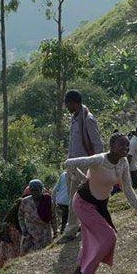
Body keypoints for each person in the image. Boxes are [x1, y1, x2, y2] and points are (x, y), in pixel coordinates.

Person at [65, 133, 137, 274]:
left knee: (92, 240)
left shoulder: (123, 162)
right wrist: (83, 178)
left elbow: (128, 189)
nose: (125, 148)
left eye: (127, 146)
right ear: (111, 146)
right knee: (108, 236)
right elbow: (68, 163)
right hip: (83, 203)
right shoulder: (99, 159)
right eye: (121, 145)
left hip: (100, 205)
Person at [58, 90, 104, 242]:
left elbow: (97, 144)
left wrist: (97, 166)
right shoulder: (76, 118)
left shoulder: (88, 119)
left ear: (73, 102)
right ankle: (82, 225)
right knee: (77, 198)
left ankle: (71, 230)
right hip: (73, 164)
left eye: (67, 103)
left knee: (75, 198)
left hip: (84, 165)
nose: (66, 106)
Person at [20, 179, 58, 254]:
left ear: (41, 189)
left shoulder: (48, 201)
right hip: (30, 232)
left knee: (44, 253)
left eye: (37, 190)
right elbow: (20, 216)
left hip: (45, 232)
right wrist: (23, 229)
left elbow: (53, 216)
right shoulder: (25, 201)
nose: (35, 193)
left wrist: (55, 231)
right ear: (30, 191)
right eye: (32, 190)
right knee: (28, 254)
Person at [0, 198, 22, 272]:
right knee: (14, 252)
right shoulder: (22, 206)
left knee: (4, 252)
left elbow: (5, 222)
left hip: (9, 235)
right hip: (14, 235)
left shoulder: (12, 213)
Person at [53, 171, 70, 235]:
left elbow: (56, 188)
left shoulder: (63, 174)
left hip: (60, 200)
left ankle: (62, 229)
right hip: (68, 201)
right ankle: (63, 230)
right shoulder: (75, 174)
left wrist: (54, 200)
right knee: (66, 216)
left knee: (64, 216)